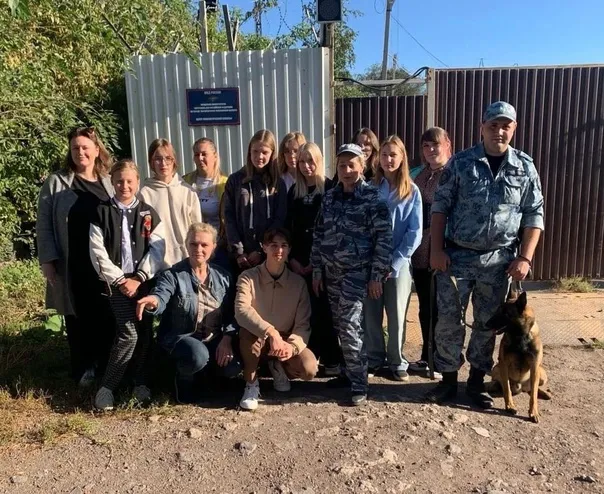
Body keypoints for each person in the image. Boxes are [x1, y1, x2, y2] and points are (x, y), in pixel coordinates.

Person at [425, 101, 545, 408]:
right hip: (457, 259)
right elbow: (440, 208)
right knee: (448, 322)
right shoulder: (461, 163)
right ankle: (448, 381)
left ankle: (476, 383)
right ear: (482, 128)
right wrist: (436, 250)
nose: (499, 132)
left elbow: (534, 215)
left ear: (514, 129)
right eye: (493, 126)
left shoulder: (524, 167)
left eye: (506, 126)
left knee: (486, 325)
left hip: (498, 262)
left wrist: (525, 258)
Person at [312, 144, 392, 406]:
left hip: (357, 273)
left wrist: (376, 276)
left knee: (349, 325)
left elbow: (384, 239)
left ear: (362, 166)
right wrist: (317, 270)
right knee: (340, 325)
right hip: (331, 273)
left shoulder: (373, 198)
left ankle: (359, 382)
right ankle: (348, 373)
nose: (346, 170)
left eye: (351, 165)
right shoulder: (329, 198)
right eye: (342, 165)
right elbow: (319, 235)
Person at [36, 126, 115, 387]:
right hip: (72, 261)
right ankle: (83, 369)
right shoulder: (57, 182)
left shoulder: (108, 181)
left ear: (96, 150)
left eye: (85, 147)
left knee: (106, 313)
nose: (80, 152)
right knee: (77, 315)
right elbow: (44, 224)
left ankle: (107, 367)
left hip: (104, 262)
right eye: (75, 148)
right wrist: (48, 260)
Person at [89, 160, 167, 410]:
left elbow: (157, 248)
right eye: (120, 181)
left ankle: (140, 382)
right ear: (112, 182)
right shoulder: (101, 212)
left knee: (144, 332)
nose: (125, 186)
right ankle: (107, 388)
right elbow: (97, 251)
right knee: (128, 334)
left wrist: (139, 277)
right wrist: (120, 280)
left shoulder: (147, 213)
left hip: (142, 281)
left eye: (129, 181)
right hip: (116, 283)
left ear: (138, 182)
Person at [136, 222, 241, 404]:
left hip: (214, 338)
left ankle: (207, 377)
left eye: (204, 244)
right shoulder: (172, 275)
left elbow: (233, 312)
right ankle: (182, 380)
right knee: (197, 355)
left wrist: (227, 338)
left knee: (234, 367)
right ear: (186, 244)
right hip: (182, 338)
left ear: (213, 247)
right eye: (193, 244)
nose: (198, 249)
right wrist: (154, 302)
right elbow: (161, 295)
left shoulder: (224, 277)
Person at [236, 228, 318, 411]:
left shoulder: (298, 283)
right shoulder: (248, 277)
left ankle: (277, 365)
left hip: (284, 339)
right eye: (273, 245)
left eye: (284, 245)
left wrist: (292, 346)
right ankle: (251, 383)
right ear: (264, 247)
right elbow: (242, 311)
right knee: (247, 333)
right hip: (258, 336)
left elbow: (303, 324)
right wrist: (271, 333)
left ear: (289, 249)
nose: (279, 250)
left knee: (309, 369)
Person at [364, 136, 422, 381]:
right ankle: (374, 357)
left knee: (397, 314)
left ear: (402, 158)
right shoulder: (369, 189)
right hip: (371, 263)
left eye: (393, 155)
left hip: (398, 266)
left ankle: (397, 360)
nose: (388, 159)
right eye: (385, 154)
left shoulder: (411, 190)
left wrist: (394, 262)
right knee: (371, 313)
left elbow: (415, 232)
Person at [285, 142, 340, 376]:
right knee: (305, 312)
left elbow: (333, 230)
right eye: (302, 161)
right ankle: (310, 356)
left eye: (311, 161)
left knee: (325, 312)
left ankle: (333, 359)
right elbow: (288, 229)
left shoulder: (330, 188)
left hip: (323, 262)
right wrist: (292, 260)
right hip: (298, 262)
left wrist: (317, 263)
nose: (306, 166)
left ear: (318, 161)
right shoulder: (293, 191)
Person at [408, 127, 453, 376]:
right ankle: (427, 357)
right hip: (420, 252)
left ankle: (443, 360)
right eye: (426, 145)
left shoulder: (454, 173)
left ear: (447, 144)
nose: (431, 150)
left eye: (435, 144)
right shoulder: (418, 174)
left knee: (443, 311)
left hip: (445, 252)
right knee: (425, 307)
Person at [223, 129, 288, 274]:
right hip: (240, 257)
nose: (259, 156)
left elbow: (279, 219)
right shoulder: (235, 180)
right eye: (255, 151)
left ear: (272, 153)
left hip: (267, 256)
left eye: (264, 152)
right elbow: (229, 217)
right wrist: (239, 252)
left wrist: (261, 250)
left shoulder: (278, 183)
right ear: (249, 152)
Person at [139, 138, 201, 267]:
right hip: (157, 261)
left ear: (174, 161)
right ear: (151, 162)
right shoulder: (144, 194)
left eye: (168, 158)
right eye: (158, 159)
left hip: (187, 259)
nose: (163, 163)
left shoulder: (188, 191)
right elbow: (143, 233)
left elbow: (197, 228)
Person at [183, 137, 230, 270]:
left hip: (218, 248)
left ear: (215, 156)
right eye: (196, 154)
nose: (200, 158)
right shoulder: (184, 182)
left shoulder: (225, 183)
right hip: (193, 248)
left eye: (204, 154)